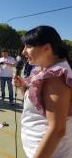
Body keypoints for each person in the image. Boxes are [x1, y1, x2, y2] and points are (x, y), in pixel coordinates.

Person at [13, 26, 72, 158]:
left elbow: (57, 130)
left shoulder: (55, 78)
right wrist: (23, 86)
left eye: (28, 46)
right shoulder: (46, 71)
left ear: (46, 48)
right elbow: (38, 107)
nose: (23, 52)